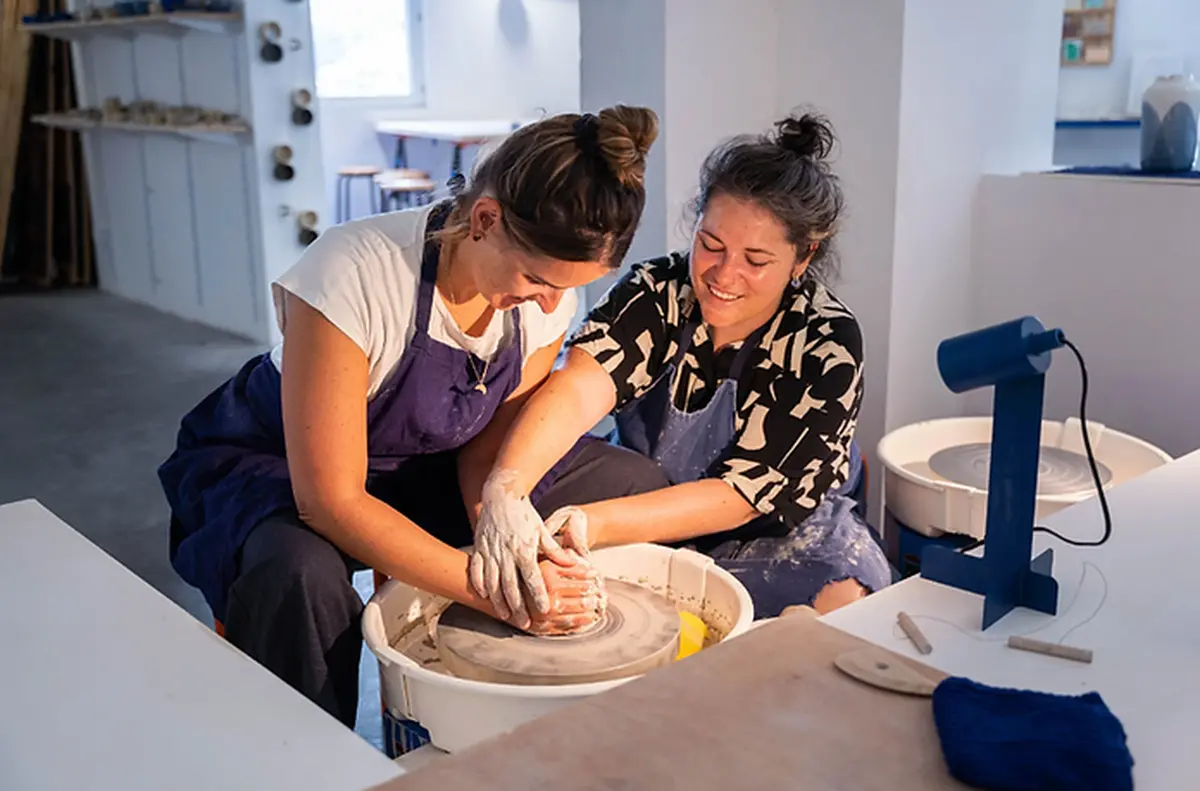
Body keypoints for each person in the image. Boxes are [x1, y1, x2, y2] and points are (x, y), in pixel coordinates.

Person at [157, 105, 659, 727]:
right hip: (282, 469)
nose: (552, 303)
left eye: (567, 287)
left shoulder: (545, 296)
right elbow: (331, 501)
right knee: (299, 576)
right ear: (484, 220)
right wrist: (495, 593)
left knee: (625, 483)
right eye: (535, 279)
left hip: (430, 460)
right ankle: (310, 758)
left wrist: (502, 518)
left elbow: (487, 446)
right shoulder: (356, 271)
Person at [471, 111, 894, 622]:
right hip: (652, 495)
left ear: (802, 259)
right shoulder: (660, 289)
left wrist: (593, 523)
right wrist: (506, 487)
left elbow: (744, 495)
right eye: (710, 245)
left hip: (779, 532)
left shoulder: (825, 340)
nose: (723, 274)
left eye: (755, 261)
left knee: (837, 600)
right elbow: (582, 384)